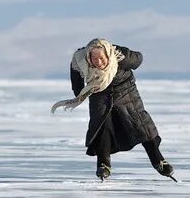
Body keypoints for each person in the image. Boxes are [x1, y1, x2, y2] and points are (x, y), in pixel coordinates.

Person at [51, 38, 175, 181]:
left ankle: (158, 161)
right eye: (94, 58)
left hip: (126, 92)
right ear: (88, 57)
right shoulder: (80, 60)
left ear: (108, 55)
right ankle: (103, 165)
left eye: (101, 58)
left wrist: (126, 58)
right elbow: (76, 79)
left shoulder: (119, 55)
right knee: (102, 127)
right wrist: (79, 93)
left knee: (141, 126)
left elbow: (138, 59)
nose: (98, 62)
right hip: (99, 94)